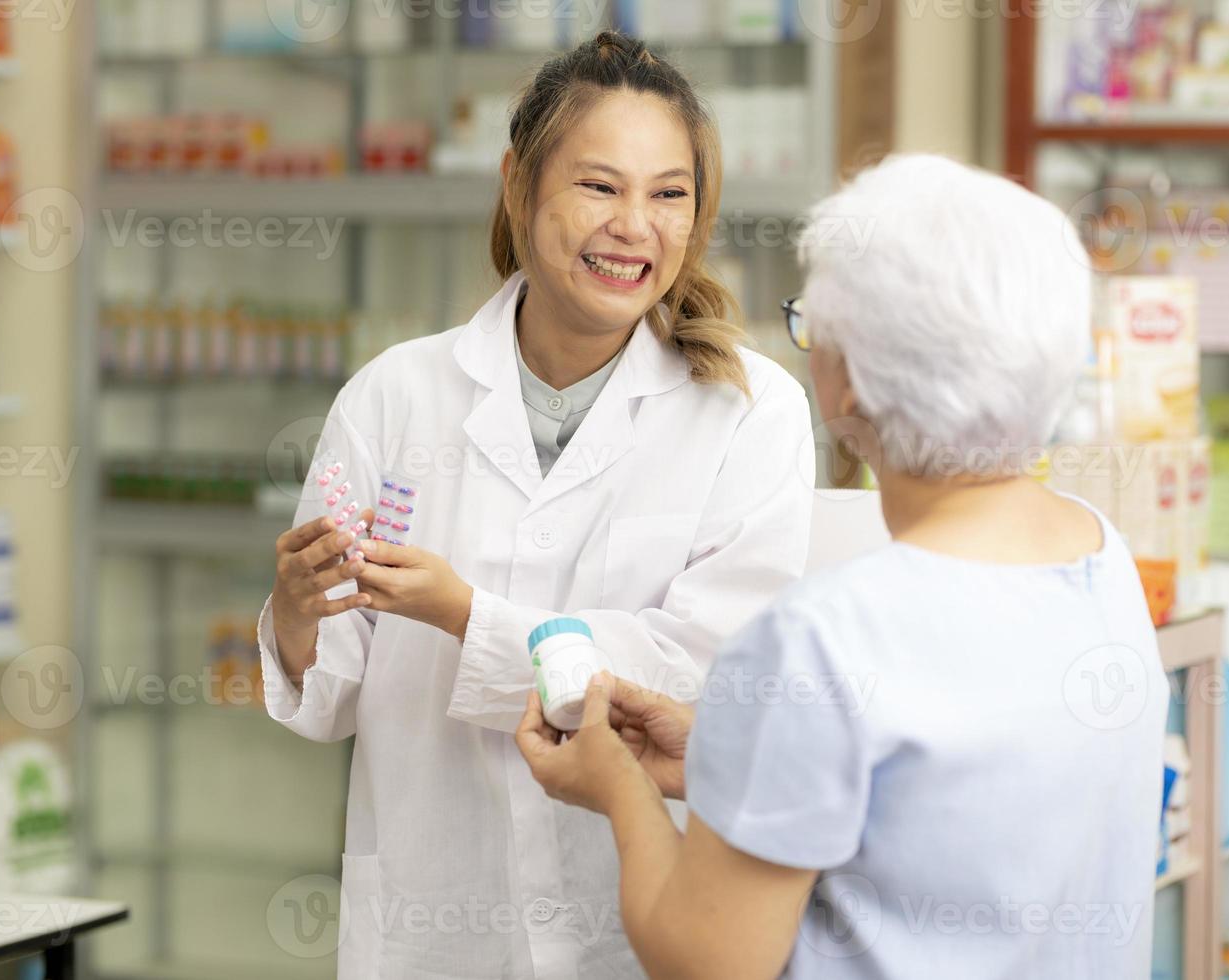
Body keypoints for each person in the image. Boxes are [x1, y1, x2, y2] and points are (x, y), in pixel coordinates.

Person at [517, 154, 1172, 979]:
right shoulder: (1099, 553)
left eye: (810, 328)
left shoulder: (819, 639)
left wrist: (620, 790)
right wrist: (735, 755)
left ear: (849, 383)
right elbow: (948, 810)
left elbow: (705, 960)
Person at [259, 31, 814, 979]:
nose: (634, 226)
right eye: (599, 186)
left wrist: (466, 615)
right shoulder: (396, 395)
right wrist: (298, 614)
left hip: (636, 927)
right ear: (519, 184)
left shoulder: (750, 411)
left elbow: (702, 675)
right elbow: (330, 695)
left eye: (667, 194)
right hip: (434, 928)